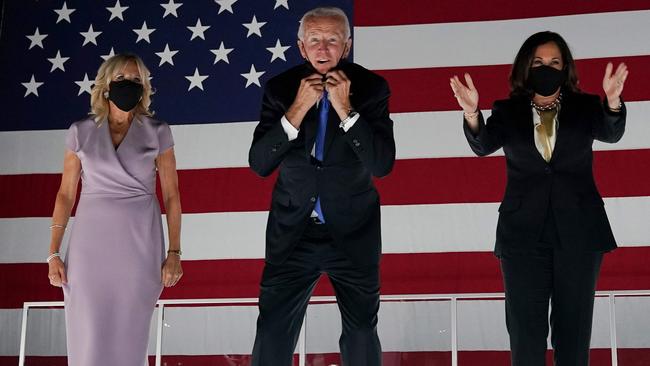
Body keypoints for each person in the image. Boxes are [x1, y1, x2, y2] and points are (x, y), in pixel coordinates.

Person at [450, 31, 628, 366]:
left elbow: (611, 132)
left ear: (566, 68)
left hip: (579, 231)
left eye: (555, 62)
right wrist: (472, 113)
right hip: (522, 235)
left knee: (573, 333)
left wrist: (613, 102)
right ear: (525, 67)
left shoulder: (587, 106)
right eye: (539, 62)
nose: (547, 67)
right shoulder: (507, 110)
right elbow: (483, 145)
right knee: (525, 332)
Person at [248, 6, 395, 365]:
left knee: (361, 333)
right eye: (315, 40)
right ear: (301, 47)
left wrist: (346, 110)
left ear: (346, 46)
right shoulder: (280, 89)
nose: (324, 49)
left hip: (353, 231)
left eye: (332, 40)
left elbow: (382, 164)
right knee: (272, 332)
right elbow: (260, 164)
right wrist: (296, 110)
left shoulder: (373, 88)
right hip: (293, 232)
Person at [46, 53, 183, 366]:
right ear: (105, 84)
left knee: (130, 337)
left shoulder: (158, 130)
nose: (129, 85)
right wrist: (53, 253)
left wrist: (174, 253)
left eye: (136, 80)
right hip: (90, 248)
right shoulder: (80, 131)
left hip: (140, 245)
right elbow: (66, 194)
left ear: (145, 87)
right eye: (121, 79)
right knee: (88, 334)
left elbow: (172, 195)